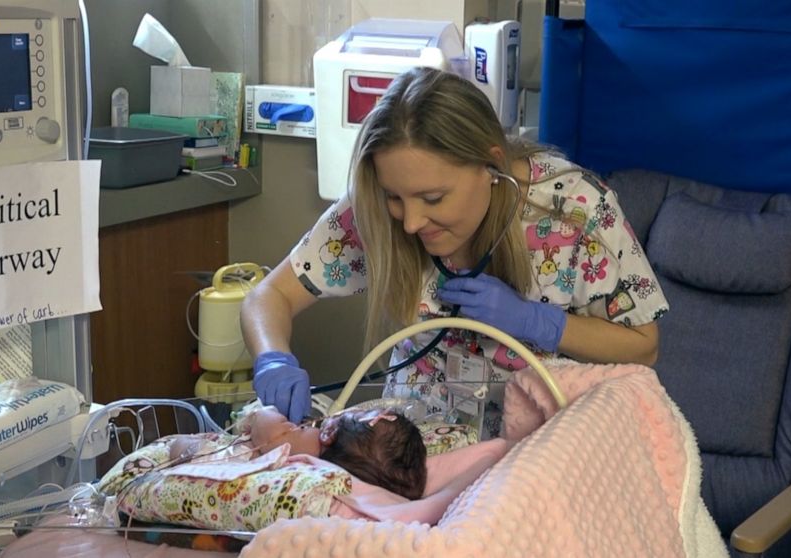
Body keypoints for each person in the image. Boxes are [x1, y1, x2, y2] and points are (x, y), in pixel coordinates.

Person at [240, 66, 669, 436]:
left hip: (537, 458)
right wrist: (272, 359)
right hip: (412, 446)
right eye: (396, 197)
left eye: (433, 198)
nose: (409, 222)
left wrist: (541, 323)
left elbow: (643, 346)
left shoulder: (575, 210)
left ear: (491, 166)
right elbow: (269, 296)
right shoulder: (374, 208)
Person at [168, 405, 428, 501]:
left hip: (221, 462)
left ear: (330, 432)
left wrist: (265, 411)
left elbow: (266, 423)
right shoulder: (334, 475)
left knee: (180, 447)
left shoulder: (305, 441)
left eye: (357, 412)